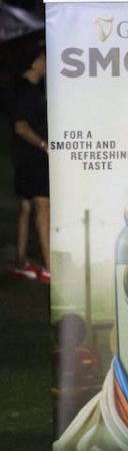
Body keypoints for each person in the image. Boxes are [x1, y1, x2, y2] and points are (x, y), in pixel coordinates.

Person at [7, 48, 50, 282]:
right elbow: (21, 127)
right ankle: (49, 267)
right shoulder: (26, 91)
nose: (46, 64)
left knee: (26, 209)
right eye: (44, 59)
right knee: (43, 208)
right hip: (34, 158)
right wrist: (45, 146)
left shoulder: (20, 88)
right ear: (34, 62)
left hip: (22, 157)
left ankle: (21, 263)